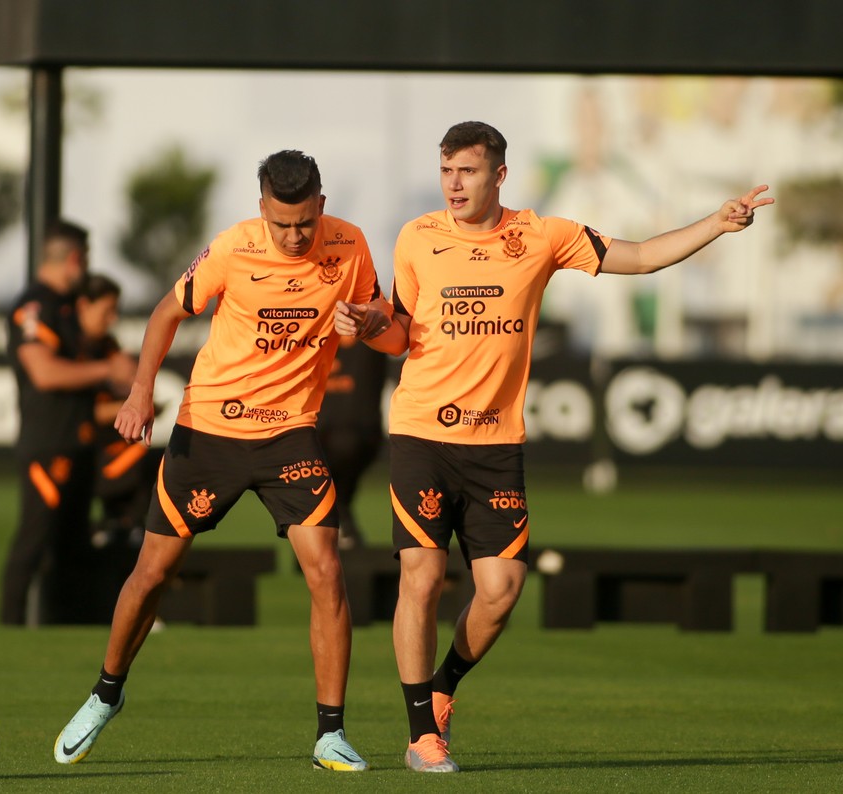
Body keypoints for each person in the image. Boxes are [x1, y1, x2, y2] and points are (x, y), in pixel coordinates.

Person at [335, 120, 773, 773]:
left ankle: (444, 686)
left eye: (469, 171)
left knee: (501, 590)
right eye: (447, 170)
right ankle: (422, 734)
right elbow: (400, 334)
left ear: (499, 175)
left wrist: (715, 221)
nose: (454, 184)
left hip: (496, 446)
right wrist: (369, 324)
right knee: (420, 577)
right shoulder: (417, 237)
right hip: (422, 432)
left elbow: (644, 256)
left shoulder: (542, 236)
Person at [53, 150, 388, 772]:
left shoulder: (352, 244)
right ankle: (105, 693)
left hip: (291, 432)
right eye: (281, 223)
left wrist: (367, 319)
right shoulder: (233, 248)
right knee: (152, 573)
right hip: (209, 429)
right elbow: (166, 312)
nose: (293, 236)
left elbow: (381, 313)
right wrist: (138, 392)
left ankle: (330, 734)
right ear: (262, 208)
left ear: (321, 202)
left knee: (326, 572)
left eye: (304, 223)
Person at [1, 220, 137, 625]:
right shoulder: (34, 306)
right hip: (47, 444)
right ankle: (6, 629)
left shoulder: (67, 309)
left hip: (78, 443)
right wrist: (107, 370)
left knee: (72, 546)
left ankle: (65, 628)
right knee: (33, 541)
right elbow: (44, 373)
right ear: (74, 259)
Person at [75, 273, 162, 622]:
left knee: (154, 457)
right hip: (89, 456)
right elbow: (78, 412)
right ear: (84, 306)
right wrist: (126, 407)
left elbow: (128, 381)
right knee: (151, 460)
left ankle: (127, 526)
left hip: (115, 449)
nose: (112, 318)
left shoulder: (108, 346)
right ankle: (126, 526)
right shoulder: (74, 348)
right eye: (107, 309)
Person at [317, 336, 389, 549]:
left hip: (337, 431)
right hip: (360, 431)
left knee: (331, 497)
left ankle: (341, 535)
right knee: (337, 497)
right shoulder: (376, 316)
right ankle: (344, 535)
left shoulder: (373, 315)